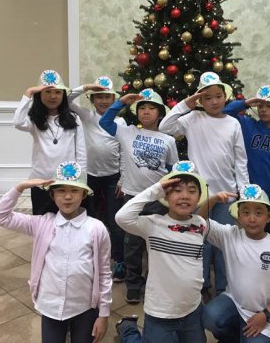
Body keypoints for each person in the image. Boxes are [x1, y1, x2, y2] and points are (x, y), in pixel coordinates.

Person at [0, 161, 111, 343]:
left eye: (74, 190)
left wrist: (104, 314)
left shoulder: (96, 229)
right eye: (61, 191)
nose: (68, 197)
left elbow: (104, 273)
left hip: (84, 307)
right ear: (52, 195)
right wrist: (21, 187)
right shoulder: (42, 223)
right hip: (51, 306)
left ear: (84, 194)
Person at [159, 71, 249, 298]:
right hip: (198, 196)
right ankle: (201, 286)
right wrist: (186, 104)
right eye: (207, 97)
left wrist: (244, 191)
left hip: (227, 194)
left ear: (225, 96)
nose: (214, 101)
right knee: (200, 241)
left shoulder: (233, 123)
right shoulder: (192, 119)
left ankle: (224, 289)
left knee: (224, 242)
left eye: (218, 96)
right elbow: (165, 127)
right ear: (200, 99)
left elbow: (240, 160)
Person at [115, 161, 209, 343]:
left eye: (191, 191)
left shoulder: (200, 224)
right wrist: (156, 189)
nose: (185, 196)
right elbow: (121, 217)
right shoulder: (153, 224)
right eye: (177, 190)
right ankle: (128, 329)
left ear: (199, 197)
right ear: (166, 195)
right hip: (160, 314)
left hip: (192, 310)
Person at [100, 88, 178, 303]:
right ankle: (133, 284)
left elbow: (172, 170)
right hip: (133, 198)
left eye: (152, 108)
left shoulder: (168, 140)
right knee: (132, 245)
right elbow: (104, 122)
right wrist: (121, 102)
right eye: (142, 108)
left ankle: (155, 282)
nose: (146, 111)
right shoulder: (127, 132)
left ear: (160, 113)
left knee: (157, 243)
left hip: (159, 201)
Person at [198, 184, 270, 343]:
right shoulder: (229, 235)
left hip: (263, 312)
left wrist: (266, 315)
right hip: (234, 302)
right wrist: (213, 200)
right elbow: (199, 223)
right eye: (245, 212)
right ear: (238, 216)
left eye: (259, 213)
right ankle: (233, 336)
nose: (252, 218)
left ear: (268, 216)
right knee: (210, 316)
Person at [68, 76, 127, 282]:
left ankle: (119, 260)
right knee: (89, 219)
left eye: (107, 97)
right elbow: (67, 99)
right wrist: (85, 87)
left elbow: (125, 152)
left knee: (114, 220)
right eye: (99, 97)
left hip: (113, 179)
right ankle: (91, 258)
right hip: (89, 178)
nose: (103, 101)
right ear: (92, 100)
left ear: (114, 100)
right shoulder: (86, 116)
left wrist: (122, 179)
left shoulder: (120, 122)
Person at [223, 85, 270, 237]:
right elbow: (225, 112)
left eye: (269, 106)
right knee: (246, 233)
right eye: (260, 106)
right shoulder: (247, 125)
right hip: (248, 192)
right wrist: (246, 103)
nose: (263, 109)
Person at [13, 70, 86, 215]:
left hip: (67, 182)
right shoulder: (34, 119)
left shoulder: (74, 118)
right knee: (41, 223)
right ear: (39, 94)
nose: (53, 96)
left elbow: (81, 152)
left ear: (63, 95)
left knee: (67, 221)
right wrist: (29, 92)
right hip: (40, 182)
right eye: (47, 92)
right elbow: (18, 122)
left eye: (58, 92)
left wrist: (82, 181)